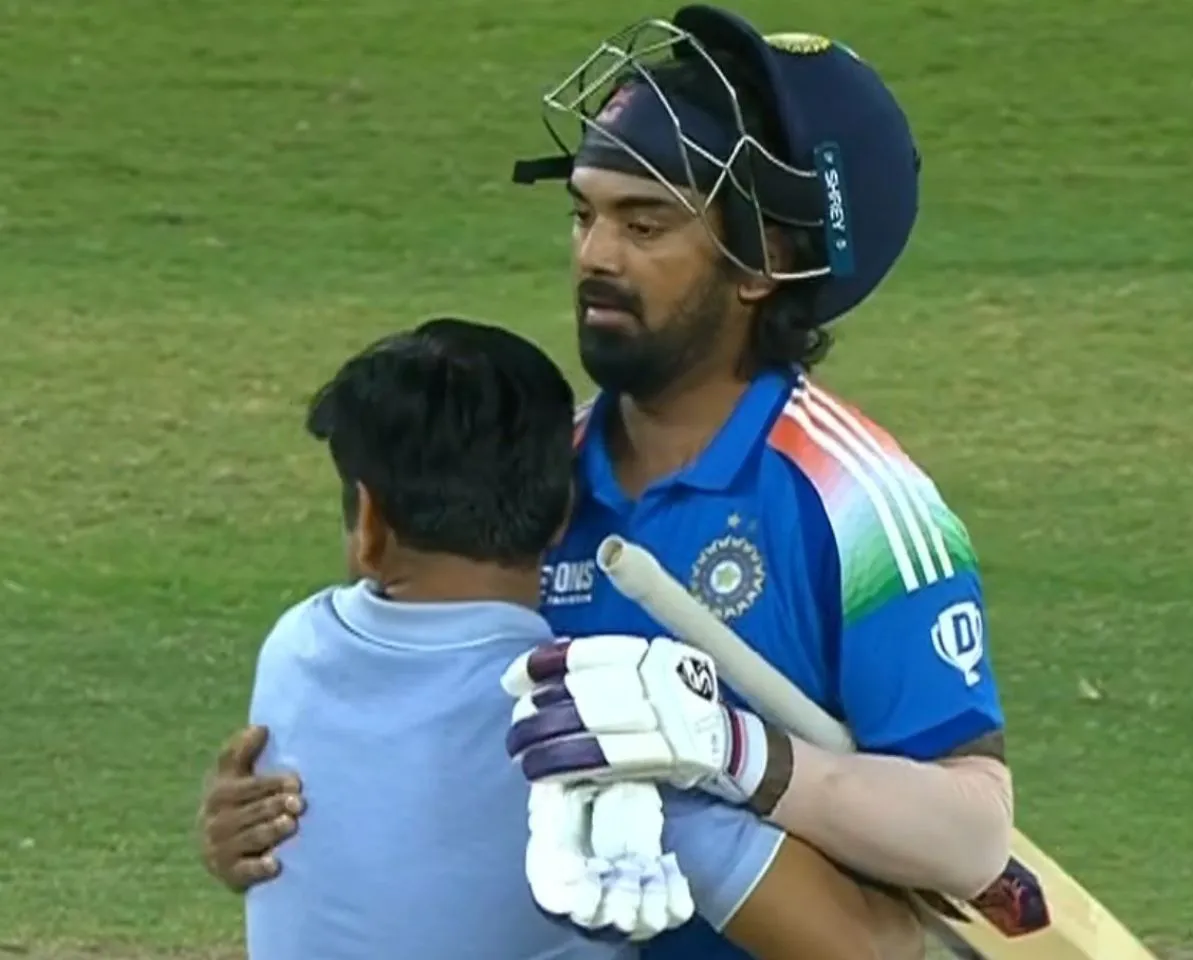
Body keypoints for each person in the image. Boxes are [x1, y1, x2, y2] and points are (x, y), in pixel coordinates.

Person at [199, 4, 1024, 958]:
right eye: (583, 213)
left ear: (767, 261)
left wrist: (730, 751)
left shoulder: (858, 506)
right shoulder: (528, 472)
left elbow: (971, 837)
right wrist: (271, 833)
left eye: (645, 223)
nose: (594, 254)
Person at [233, 315, 897, 960]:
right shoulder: (596, 730)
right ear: (563, 517)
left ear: (370, 522)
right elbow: (865, 951)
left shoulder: (294, 651)